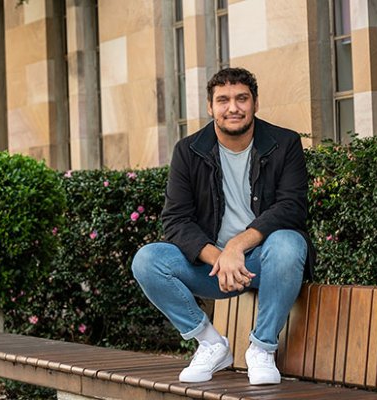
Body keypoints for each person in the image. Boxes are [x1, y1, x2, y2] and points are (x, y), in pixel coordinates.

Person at [132, 67, 315, 385]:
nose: (233, 107)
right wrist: (220, 257)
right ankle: (210, 343)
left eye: (242, 98)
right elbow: (175, 220)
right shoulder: (188, 151)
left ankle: (261, 348)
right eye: (224, 100)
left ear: (255, 103)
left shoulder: (284, 144)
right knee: (148, 260)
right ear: (210, 107)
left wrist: (236, 247)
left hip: (263, 262)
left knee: (289, 243)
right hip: (213, 268)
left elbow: (291, 208)